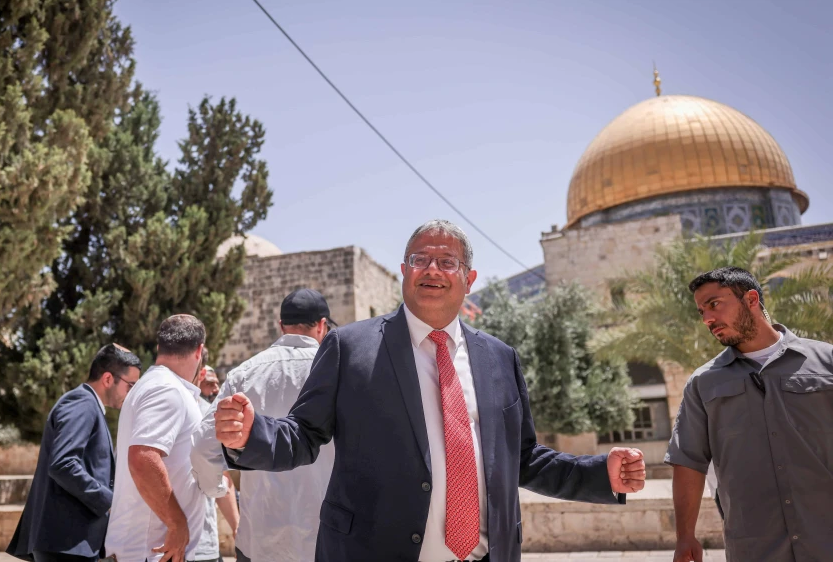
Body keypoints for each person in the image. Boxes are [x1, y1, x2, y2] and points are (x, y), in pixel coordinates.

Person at [215, 219, 646, 562]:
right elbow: (304, 435)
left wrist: (598, 474)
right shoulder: (350, 347)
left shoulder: (500, 358)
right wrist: (251, 434)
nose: (432, 269)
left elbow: (522, 458)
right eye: (420, 259)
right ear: (405, 271)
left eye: (447, 261)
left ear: (469, 279)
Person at [667, 266, 833, 562]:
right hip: (755, 548)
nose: (707, 319)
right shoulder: (703, 383)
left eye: (714, 304)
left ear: (751, 299)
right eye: (701, 311)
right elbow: (688, 461)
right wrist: (685, 536)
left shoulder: (826, 362)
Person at [193, 288, 337, 562]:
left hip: (260, 539)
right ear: (322, 325)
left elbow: (202, 447)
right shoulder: (340, 372)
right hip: (325, 538)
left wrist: (216, 489)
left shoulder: (244, 374)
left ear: (281, 326)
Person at [7, 343, 141, 562]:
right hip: (67, 544)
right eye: (131, 386)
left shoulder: (88, 404)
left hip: (71, 544)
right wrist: (109, 502)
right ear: (108, 379)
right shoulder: (82, 403)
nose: (132, 394)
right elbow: (63, 464)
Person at [104, 315, 210, 562]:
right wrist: (176, 523)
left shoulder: (158, 385)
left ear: (160, 346)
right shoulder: (166, 388)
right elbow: (143, 458)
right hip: (150, 552)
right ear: (199, 350)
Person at [189, 370, 240, 562]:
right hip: (194, 543)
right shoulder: (207, 415)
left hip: (203, 541)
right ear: (198, 377)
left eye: (217, 384)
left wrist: (237, 528)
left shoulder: (210, 413)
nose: (216, 389)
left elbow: (223, 479)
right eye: (210, 383)